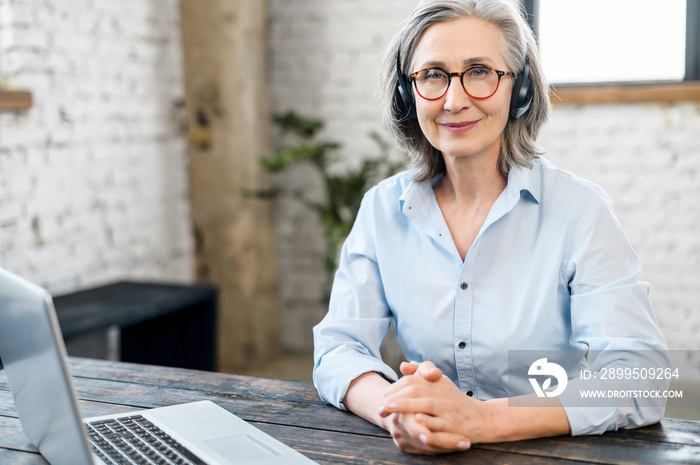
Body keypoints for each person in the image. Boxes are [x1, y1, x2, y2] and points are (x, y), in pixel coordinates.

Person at [312, 0, 670, 455]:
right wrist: (401, 411)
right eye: (433, 74)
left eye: (480, 71)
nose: (454, 99)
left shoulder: (579, 210)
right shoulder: (382, 209)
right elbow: (338, 347)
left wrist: (482, 420)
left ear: (517, 90)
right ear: (409, 93)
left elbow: (641, 376)